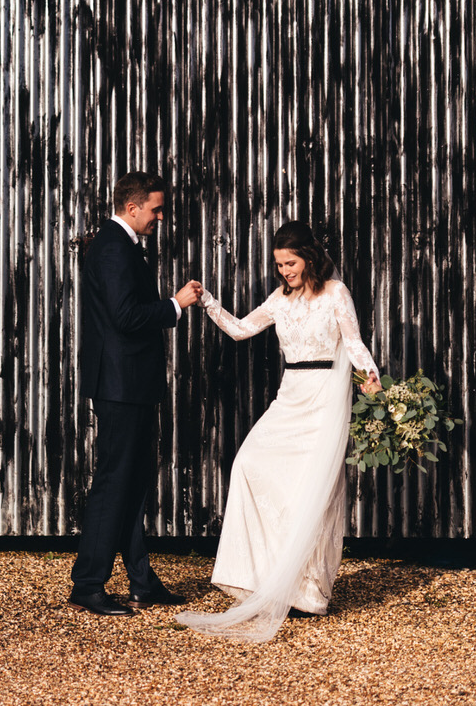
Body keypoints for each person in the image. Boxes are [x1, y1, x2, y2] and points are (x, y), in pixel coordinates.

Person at [177, 220, 381, 642]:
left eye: (290, 263)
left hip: (325, 397)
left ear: (309, 257)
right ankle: (259, 578)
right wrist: (208, 301)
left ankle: (307, 592)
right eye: (278, 265)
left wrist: (372, 378)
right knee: (248, 464)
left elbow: (354, 341)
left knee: (310, 491)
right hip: (290, 396)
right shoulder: (279, 298)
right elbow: (240, 330)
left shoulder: (335, 293)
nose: (285, 271)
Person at [67, 171, 204, 616]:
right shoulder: (112, 247)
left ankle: (141, 582)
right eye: (156, 209)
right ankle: (87, 583)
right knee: (114, 482)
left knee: (134, 482)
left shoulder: (117, 245)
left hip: (132, 386)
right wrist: (175, 305)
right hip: (120, 387)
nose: (160, 217)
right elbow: (125, 317)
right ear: (132, 208)